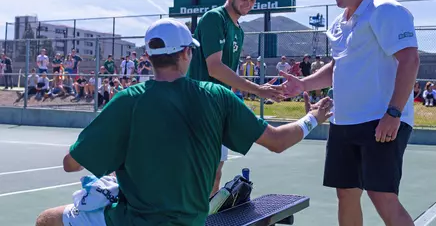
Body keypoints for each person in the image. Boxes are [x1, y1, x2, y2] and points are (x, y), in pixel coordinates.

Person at [34, 18, 333, 226]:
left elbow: (71, 164)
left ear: (148, 57)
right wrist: (313, 117)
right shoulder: (218, 96)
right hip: (192, 221)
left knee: (47, 219)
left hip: (135, 222)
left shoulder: (128, 100)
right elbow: (279, 141)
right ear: (188, 53)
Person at [281, 0, 420, 226]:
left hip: (380, 121)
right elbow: (338, 66)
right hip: (343, 122)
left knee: (382, 196)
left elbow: (410, 60)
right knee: (345, 193)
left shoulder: (385, 10)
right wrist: (303, 84)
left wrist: (393, 113)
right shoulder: (338, 22)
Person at [187, 0, 285, 196]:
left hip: (218, 109)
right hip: (199, 108)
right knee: (199, 171)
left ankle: (208, 218)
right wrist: (259, 90)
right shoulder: (214, 18)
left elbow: (228, 75)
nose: (248, 4)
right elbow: (215, 67)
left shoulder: (239, 30)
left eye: (252, 1)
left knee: (216, 170)